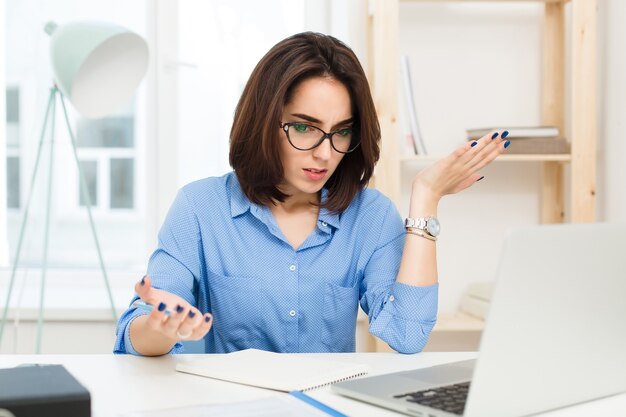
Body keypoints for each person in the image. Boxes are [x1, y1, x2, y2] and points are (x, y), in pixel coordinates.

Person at [113, 32, 509, 356]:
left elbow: (407, 335)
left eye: (341, 131)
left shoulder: (369, 216)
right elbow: (139, 331)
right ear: (265, 122)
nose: (324, 152)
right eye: (304, 128)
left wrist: (426, 196)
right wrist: (161, 328)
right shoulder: (199, 208)